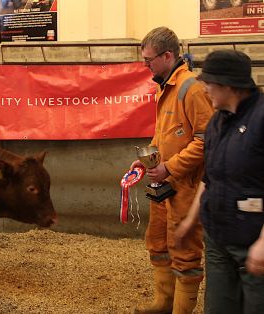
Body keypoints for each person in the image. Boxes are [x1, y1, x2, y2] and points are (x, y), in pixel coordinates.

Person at [130, 26, 214, 314]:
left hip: (186, 186)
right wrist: (148, 158)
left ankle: (181, 309)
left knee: (185, 251)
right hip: (163, 182)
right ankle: (163, 303)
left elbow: (205, 140)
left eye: (149, 60)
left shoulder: (191, 88)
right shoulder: (163, 86)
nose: (146, 65)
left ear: (168, 56)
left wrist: (170, 167)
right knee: (157, 242)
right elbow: (166, 133)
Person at [175, 49, 264, 314]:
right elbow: (209, 177)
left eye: (209, 83)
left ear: (228, 85)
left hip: (253, 241)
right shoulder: (216, 122)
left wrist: (263, 243)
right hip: (217, 239)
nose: (205, 89)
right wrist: (192, 220)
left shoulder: (261, 119)